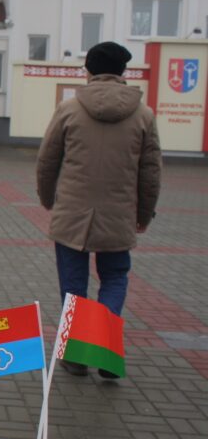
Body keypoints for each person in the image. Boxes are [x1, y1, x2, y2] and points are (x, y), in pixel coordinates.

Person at [36, 41, 162, 378]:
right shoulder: (144, 115)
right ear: (123, 72)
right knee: (115, 277)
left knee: (74, 286)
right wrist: (144, 214)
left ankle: (76, 356)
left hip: (72, 214)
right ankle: (106, 354)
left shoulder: (69, 109)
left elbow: (47, 161)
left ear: (89, 70)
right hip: (119, 215)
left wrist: (48, 199)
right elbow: (151, 172)